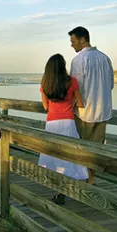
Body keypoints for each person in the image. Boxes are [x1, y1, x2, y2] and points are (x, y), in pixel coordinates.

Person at [38, 53, 89, 205]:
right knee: (70, 154)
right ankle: (70, 185)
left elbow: (46, 106)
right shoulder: (71, 81)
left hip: (52, 122)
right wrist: (71, 103)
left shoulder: (45, 83)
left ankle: (57, 185)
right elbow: (80, 103)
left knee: (53, 153)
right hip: (68, 122)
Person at [68, 26, 114, 183]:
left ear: (82, 40)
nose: (72, 45)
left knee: (82, 149)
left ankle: (82, 183)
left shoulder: (79, 60)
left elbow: (76, 88)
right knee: (96, 150)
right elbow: (111, 84)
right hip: (104, 111)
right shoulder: (105, 58)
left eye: (73, 41)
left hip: (84, 112)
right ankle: (91, 180)